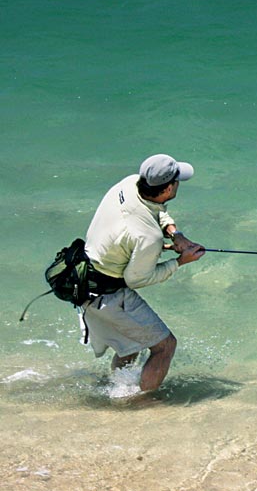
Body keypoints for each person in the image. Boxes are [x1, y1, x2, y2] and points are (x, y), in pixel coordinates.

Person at [82, 154, 205, 392]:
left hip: (86, 281)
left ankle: (119, 390)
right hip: (107, 294)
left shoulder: (129, 184)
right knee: (165, 346)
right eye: (177, 181)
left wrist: (175, 234)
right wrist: (180, 261)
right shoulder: (148, 237)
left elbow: (155, 210)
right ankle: (144, 403)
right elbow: (137, 279)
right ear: (169, 187)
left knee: (131, 344)